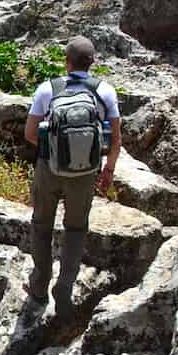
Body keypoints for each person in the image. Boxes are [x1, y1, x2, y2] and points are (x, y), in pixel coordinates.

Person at [23, 36, 121, 308]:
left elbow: (30, 133)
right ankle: (64, 289)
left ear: (66, 61)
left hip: (48, 168)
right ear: (92, 63)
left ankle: (39, 286)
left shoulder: (48, 89)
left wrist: (55, 152)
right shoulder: (105, 91)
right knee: (76, 229)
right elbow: (115, 139)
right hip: (85, 173)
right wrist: (108, 169)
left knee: (42, 225)